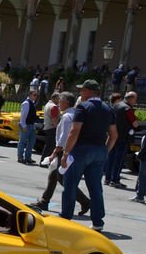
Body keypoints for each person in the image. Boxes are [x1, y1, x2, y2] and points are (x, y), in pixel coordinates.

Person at [60, 79, 117, 232]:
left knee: (70, 184)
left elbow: (75, 131)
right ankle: (98, 221)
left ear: (89, 92)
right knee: (95, 187)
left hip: (81, 150)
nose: (80, 93)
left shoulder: (83, 107)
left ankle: (66, 218)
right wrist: (106, 151)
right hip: (99, 150)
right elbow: (114, 135)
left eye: (82, 90)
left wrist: (66, 153)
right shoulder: (108, 108)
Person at [36, 92, 89, 214]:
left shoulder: (66, 117)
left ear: (66, 102)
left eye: (61, 101)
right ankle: (44, 201)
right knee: (53, 175)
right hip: (72, 150)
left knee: (62, 178)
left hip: (65, 150)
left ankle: (85, 201)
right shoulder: (75, 114)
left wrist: (55, 151)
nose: (59, 103)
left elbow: (64, 137)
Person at [106, 91, 138, 187]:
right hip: (123, 137)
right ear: (131, 98)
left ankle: (108, 178)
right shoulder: (127, 109)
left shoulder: (115, 106)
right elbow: (135, 123)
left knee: (111, 157)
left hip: (113, 135)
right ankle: (115, 179)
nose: (135, 102)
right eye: (135, 99)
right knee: (119, 160)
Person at [18, 89, 40, 164]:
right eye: (34, 95)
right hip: (26, 125)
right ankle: (20, 157)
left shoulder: (32, 103)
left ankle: (28, 157)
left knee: (31, 142)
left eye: (36, 95)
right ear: (30, 95)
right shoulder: (26, 103)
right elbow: (23, 116)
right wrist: (23, 126)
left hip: (31, 125)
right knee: (22, 142)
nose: (36, 96)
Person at [40, 91, 61, 162]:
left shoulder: (48, 104)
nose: (60, 100)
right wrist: (57, 128)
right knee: (50, 146)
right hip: (52, 128)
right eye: (59, 98)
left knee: (48, 145)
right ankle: (44, 161)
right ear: (54, 98)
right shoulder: (54, 107)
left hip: (47, 126)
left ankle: (44, 160)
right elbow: (54, 119)